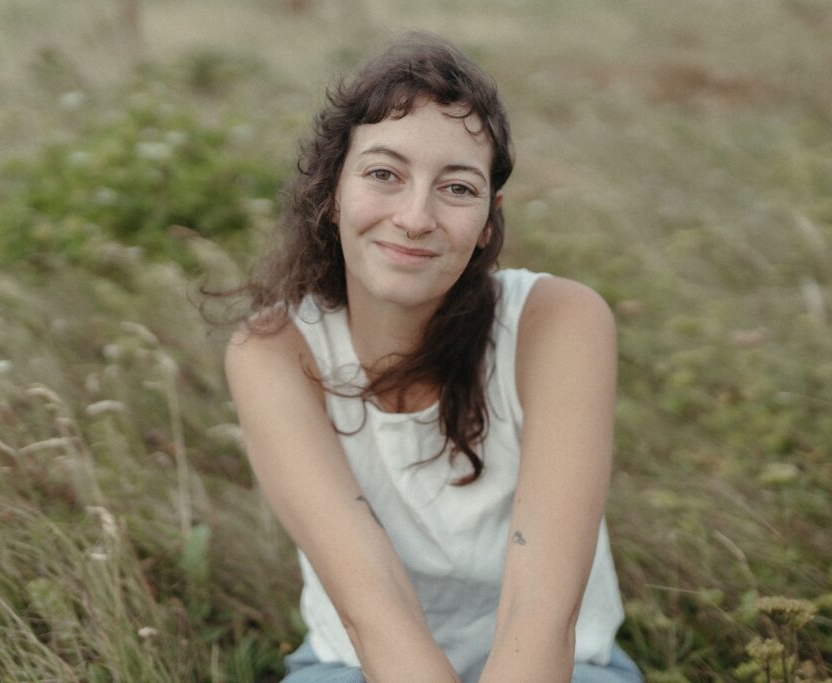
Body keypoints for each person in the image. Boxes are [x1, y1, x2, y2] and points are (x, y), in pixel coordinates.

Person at [221, 31, 642, 683]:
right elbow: (374, 609)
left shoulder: (558, 322)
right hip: (357, 665)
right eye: (385, 174)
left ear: (489, 222)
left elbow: (539, 613)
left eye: (457, 188)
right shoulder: (275, 351)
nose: (416, 217)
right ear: (333, 191)